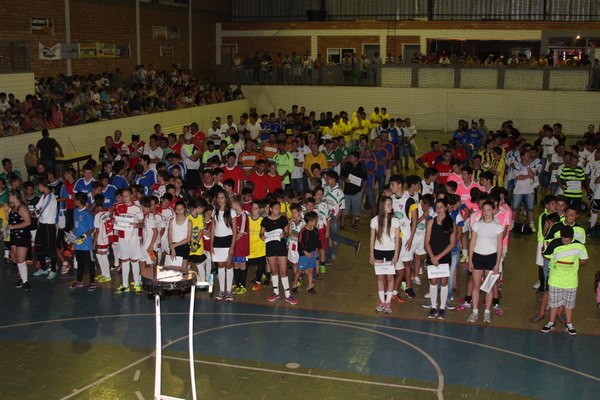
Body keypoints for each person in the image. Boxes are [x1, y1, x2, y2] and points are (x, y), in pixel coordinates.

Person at [541, 225, 588, 335]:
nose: (565, 242)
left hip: (571, 281)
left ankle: (569, 324)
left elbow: (584, 260)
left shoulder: (579, 246)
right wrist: (556, 261)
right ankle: (551, 322)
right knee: (553, 302)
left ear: (572, 237)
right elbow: (546, 255)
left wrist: (573, 265)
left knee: (569, 304)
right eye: (563, 239)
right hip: (555, 279)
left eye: (567, 240)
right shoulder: (554, 243)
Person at [467, 201, 504, 324]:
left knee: (488, 287)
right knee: (476, 286)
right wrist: (470, 260)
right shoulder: (476, 225)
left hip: (491, 258)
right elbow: (472, 243)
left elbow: (500, 247)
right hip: (477, 257)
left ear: (493, 210)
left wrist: (497, 263)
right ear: (481, 210)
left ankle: (487, 312)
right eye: (484, 209)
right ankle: (475, 311)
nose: (486, 212)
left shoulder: (498, 227)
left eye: (489, 210)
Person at [424, 198, 456, 320]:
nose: (439, 210)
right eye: (437, 207)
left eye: (441, 207)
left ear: (446, 208)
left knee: (443, 282)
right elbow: (426, 242)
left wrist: (439, 256)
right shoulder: (431, 222)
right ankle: (433, 307)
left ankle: (442, 308)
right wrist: (432, 256)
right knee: (433, 282)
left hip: (444, 256)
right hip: (432, 256)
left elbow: (452, 243)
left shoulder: (450, 223)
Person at [370, 196, 401, 314]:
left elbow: (398, 240)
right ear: (382, 206)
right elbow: (372, 239)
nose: (391, 207)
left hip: (390, 252)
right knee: (380, 277)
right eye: (388, 204)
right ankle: (382, 301)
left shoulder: (395, 220)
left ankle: (388, 302)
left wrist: (395, 255)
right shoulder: (374, 220)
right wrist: (371, 255)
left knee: (390, 278)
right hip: (378, 251)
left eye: (391, 204)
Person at [261, 201, 295, 304]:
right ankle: (275, 292)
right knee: (273, 271)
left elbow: (286, 232)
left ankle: (288, 295)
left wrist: (283, 235)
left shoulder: (283, 219)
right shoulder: (265, 220)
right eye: (276, 208)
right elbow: (261, 233)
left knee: (283, 271)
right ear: (270, 209)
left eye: (279, 208)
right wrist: (262, 236)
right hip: (270, 247)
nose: (278, 210)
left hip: (280, 247)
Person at [113, 187, 144, 294]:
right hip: (122, 238)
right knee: (124, 260)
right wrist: (114, 224)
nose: (125, 198)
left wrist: (137, 225)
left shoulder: (137, 208)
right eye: (123, 196)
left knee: (135, 260)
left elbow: (142, 223)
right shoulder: (117, 207)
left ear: (131, 195)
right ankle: (125, 285)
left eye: (127, 195)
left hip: (133, 238)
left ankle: (136, 284)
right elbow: (115, 220)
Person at [211, 189, 238, 301]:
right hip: (217, 241)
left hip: (228, 240)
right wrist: (211, 245)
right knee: (220, 265)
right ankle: (221, 290)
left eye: (222, 197)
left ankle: (228, 291)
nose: (220, 200)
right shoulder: (214, 212)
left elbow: (235, 231)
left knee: (228, 265)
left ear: (226, 199)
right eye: (218, 198)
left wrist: (232, 247)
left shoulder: (232, 212)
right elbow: (213, 229)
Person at [5, 190, 32, 290]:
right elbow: (10, 222)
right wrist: (6, 212)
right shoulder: (14, 208)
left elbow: (28, 222)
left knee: (21, 259)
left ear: (14, 196)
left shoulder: (22, 208)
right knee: (16, 259)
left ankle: (25, 282)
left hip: (22, 236)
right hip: (14, 236)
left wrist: (14, 226)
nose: (8, 198)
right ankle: (22, 278)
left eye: (10, 196)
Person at [70, 193, 96, 290]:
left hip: (86, 244)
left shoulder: (87, 214)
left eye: (75, 199)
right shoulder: (75, 211)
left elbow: (91, 229)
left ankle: (92, 282)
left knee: (90, 263)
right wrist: (71, 233)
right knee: (79, 262)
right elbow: (76, 225)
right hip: (77, 244)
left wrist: (84, 236)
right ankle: (79, 281)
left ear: (78, 201)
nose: (73, 201)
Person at [294, 211, 320, 294]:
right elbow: (300, 244)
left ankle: (309, 286)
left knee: (310, 271)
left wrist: (316, 249)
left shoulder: (316, 230)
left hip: (312, 253)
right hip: (304, 255)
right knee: (299, 271)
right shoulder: (303, 232)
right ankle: (294, 285)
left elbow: (317, 242)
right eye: (315, 220)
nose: (316, 222)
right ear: (310, 221)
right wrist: (305, 252)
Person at [231, 196, 250, 294]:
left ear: (236, 204)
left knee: (242, 264)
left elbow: (241, 232)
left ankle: (242, 285)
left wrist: (232, 243)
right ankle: (237, 283)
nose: (231, 205)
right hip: (236, 243)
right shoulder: (235, 215)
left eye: (232, 203)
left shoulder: (243, 215)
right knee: (235, 263)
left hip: (241, 243)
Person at [93, 194, 113, 283]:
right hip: (106, 237)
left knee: (103, 256)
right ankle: (103, 273)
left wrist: (94, 242)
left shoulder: (97, 215)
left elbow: (97, 230)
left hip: (101, 237)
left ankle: (108, 275)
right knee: (98, 255)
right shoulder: (107, 212)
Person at [168, 200, 192, 270]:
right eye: (177, 209)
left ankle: (184, 280)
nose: (179, 211)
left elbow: (188, 238)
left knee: (184, 268)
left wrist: (174, 245)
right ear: (175, 210)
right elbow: (169, 235)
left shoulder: (189, 221)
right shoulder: (172, 220)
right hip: (173, 245)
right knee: (173, 268)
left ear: (184, 209)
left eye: (181, 209)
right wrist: (172, 248)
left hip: (184, 246)